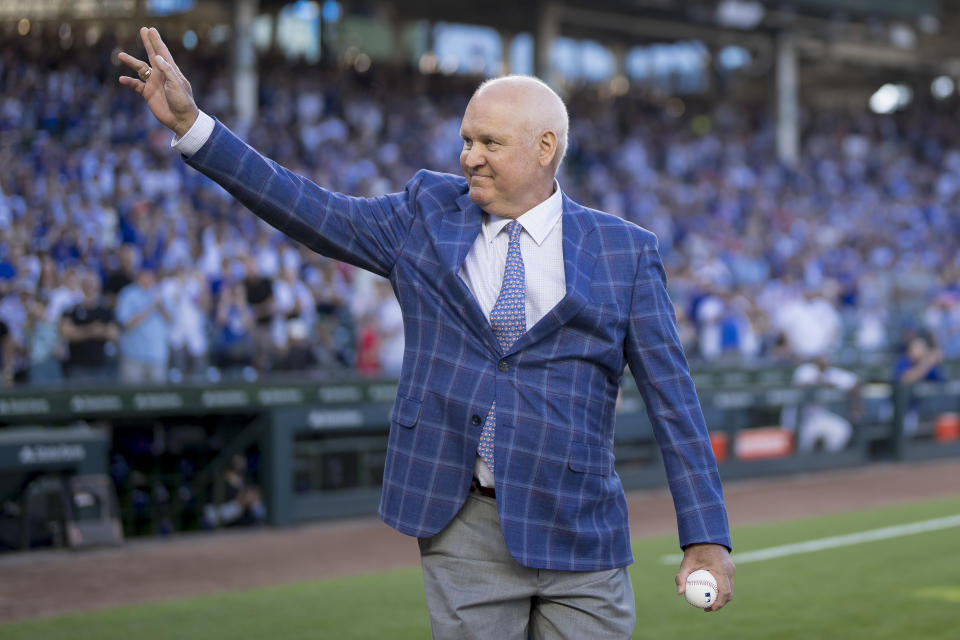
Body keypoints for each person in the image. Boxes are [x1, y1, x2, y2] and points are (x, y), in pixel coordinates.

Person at [119, 27, 734, 637]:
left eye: (489, 142)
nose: (469, 157)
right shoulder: (424, 213)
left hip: (580, 527)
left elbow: (673, 402)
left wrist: (704, 536)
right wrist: (195, 126)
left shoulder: (624, 251)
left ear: (545, 147)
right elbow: (310, 208)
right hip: (463, 522)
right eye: (466, 140)